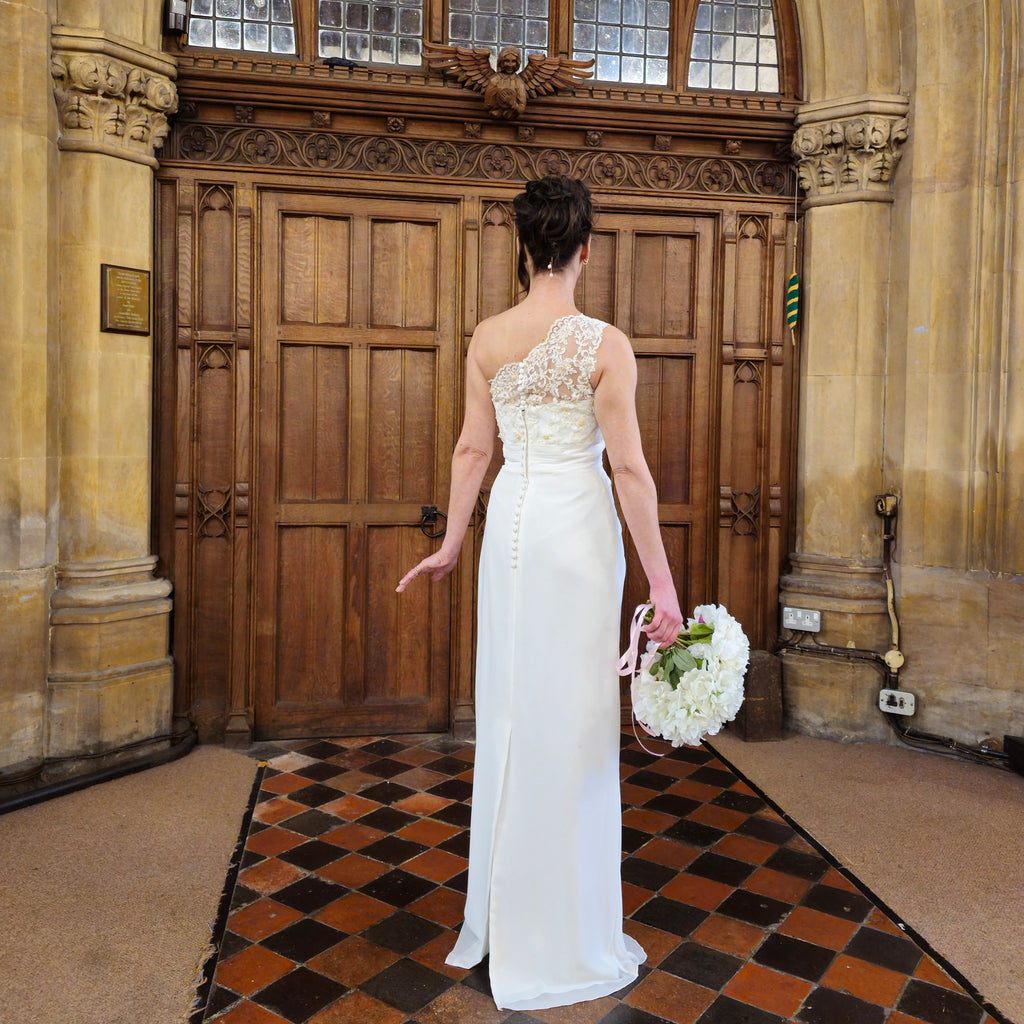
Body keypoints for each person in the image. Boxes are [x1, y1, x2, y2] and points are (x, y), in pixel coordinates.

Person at [396, 175, 683, 1011]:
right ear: (584, 249)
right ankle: (565, 930)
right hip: (578, 537)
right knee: (575, 724)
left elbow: (468, 454)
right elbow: (627, 470)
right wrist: (662, 586)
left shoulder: (487, 337)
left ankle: (504, 919)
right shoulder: (605, 343)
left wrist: (453, 543)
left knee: (516, 713)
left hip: (512, 535)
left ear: (523, 247)